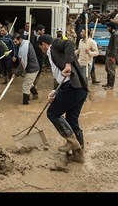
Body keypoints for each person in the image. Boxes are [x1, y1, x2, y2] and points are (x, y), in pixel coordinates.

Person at [38, 34, 88, 163]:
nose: (41, 49)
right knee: (72, 120)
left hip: (73, 87)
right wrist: (55, 92)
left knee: (52, 113)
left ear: (43, 44)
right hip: (80, 89)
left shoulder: (54, 46)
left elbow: (70, 43)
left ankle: (72, 143)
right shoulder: (52, 55)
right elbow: (61, 79)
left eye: (40, 46)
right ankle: (79, 154)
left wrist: (68, 64)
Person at [13, 34, 40, 105]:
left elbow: (23, 64)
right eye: (14, 42)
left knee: (25, 85)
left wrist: (16, 73)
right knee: (29, 82)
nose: (15, 44)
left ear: (20, 39)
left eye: (16, 42)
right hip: (32, 67)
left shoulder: (24, 48)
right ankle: (35, 94)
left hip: (32, 69)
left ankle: (26, 102)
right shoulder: (26, 42)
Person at [102, 22, 118, 89]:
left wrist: (113, 56)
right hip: (109, 54)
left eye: (108, 27)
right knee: (108, 69)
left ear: (111, 27)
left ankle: (111, 85)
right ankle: (108, 83)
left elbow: (115, 47)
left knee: (111, 70)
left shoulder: (115, 35)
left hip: (111, 55)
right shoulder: (113, 34)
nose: (107, 28)